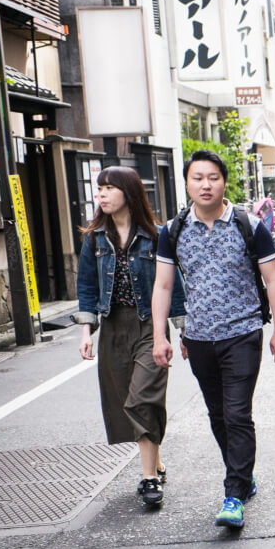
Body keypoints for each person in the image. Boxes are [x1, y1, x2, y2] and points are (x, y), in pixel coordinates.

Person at [150, 149, 275, 529]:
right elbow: (163, 285)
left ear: (224, 181)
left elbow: (272, 279)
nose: (206, 184)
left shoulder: (248, 224)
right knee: (217, 415)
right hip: (198, 339)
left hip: (243, 333)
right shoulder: (172, 231)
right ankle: (242, 473)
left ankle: (233, 495)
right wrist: (159, 335)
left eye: (213, 177)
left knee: (237, 412)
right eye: (198, 178)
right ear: (187, 183)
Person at [74, 166, 186, 507]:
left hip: (148, 326)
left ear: (129, 192)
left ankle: (149, 479)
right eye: (100, 188)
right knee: (125, 401)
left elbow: (173, 285)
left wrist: (183, 332)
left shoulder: (156, 236)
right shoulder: (94, 239)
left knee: (143, 399)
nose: (102, 194)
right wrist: (85, 332)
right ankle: (157, 461)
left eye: (109, 188)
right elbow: (87, 287)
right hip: (112, 329)